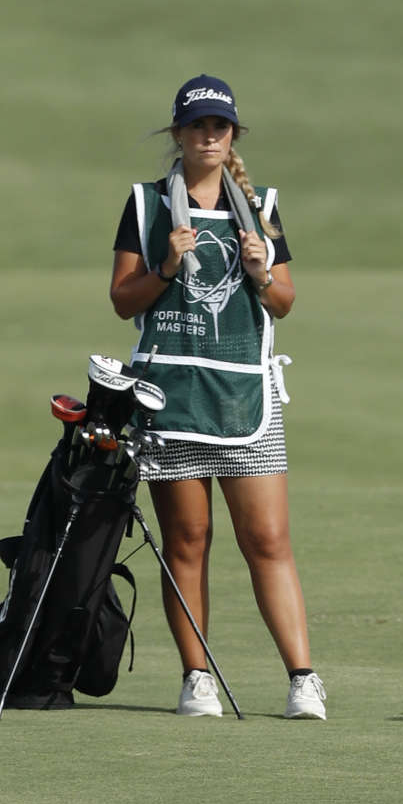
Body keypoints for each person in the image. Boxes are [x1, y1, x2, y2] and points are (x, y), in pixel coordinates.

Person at [109, 74, 326, 720]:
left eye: (219, 127)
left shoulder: (259, 208)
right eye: (197, 125)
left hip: (243, 394)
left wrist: (260, 272)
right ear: (177, 133)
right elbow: (124, 301)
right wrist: (166, 269)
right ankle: (196, 676)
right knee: (188, 541)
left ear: (231, 136)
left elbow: (285, 300)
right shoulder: (147, 205)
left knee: (266, 538)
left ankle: (303, 678)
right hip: (169, 395)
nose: (209, 136)